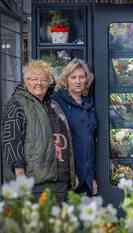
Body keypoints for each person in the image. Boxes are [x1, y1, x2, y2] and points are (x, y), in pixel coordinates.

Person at [2, 60, 77, 203]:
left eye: (43, 79)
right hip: (35, 184)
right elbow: (11, 141)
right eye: (34, 79)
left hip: (60, 181)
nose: (39, 83)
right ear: (26, 81)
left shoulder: (53, 105)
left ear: (49, 82)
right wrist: (20, 177)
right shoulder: (16, 104)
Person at [52, 59, 98, 196]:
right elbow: (56, 143)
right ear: (66, 80)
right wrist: (70, 176)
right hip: (68, 177)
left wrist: (93, 178)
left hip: (87, 177)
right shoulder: (57, 102)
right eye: (73, 77)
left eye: (82, 77)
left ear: (86, 80)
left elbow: (90, 142)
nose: (78, 81)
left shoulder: (88, 103)